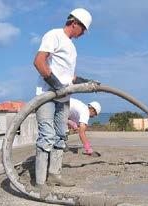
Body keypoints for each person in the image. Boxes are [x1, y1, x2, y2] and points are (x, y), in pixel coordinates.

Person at [33, 8, 94, 188]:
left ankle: (54, 176)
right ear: (74, 23)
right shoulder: (54, 35)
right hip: (47, 96)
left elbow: (70, 77)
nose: (83, 33)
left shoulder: (72, 47)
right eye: (82, 29)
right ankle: (40, 182)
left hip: (64, 99)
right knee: (47, 136)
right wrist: (56, 86)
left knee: (60, 136)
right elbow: (39, 61)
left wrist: (88, 83)